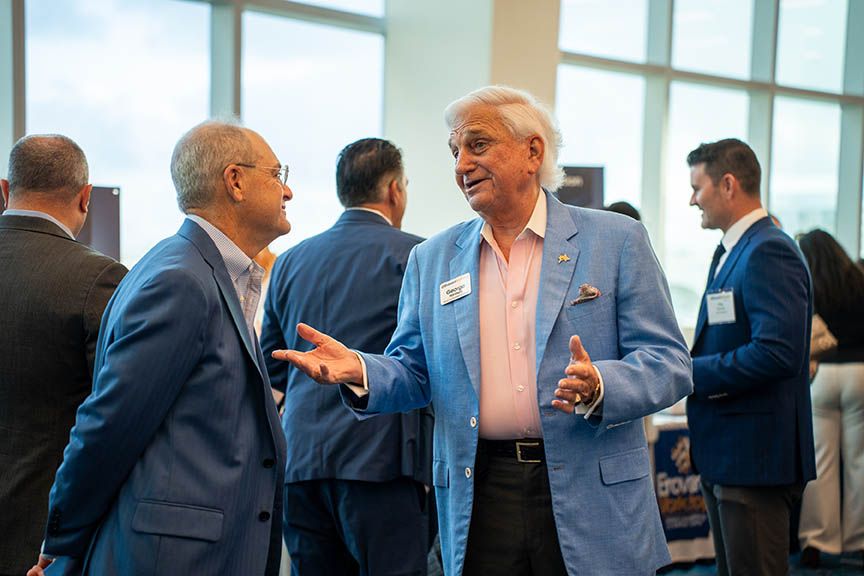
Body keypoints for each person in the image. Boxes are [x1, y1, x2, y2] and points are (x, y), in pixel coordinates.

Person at [274, 85, 693, 576]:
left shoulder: (616, 240)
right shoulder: (432, 259)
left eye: (477, 145)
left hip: (590, 492)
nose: (461, 165)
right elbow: (415, 371)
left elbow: (670, 362)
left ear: (532, 152)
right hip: (479, 493)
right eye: (455, 151)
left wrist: (602, 384)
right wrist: (361, 370)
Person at [28, 120, 292, 576]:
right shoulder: (181, 280)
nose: (287, 191)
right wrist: (62, 542)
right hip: (174, 559)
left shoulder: (197, 270)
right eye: (276, 174)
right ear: (235, 181)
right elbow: (110, 424)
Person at [260, 138, 432, 576]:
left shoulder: (289, 262)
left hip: (302, 464)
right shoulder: (419, 257)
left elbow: (273, 364)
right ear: (394, 189)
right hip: (382, 463)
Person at [686, 138, 815, 576]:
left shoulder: (769, 249)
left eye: (697, 188)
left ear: (727, 185)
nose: (692, 200)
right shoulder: (732, 251)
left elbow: (778, 353)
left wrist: (691, 373)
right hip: (729, 452)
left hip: (755, 457)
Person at [0, 135, 127, 576]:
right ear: (85, 197)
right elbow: (111, 420)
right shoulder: (100, 278)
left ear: (4, 190)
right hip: (41, 543)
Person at [796, 229, 864, 568]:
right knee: (860, 461)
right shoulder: (859, 280)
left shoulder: (808, 284)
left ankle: (816, 540)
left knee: (820, 461)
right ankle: (859, 539)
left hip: (821, 376)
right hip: (859, 374)